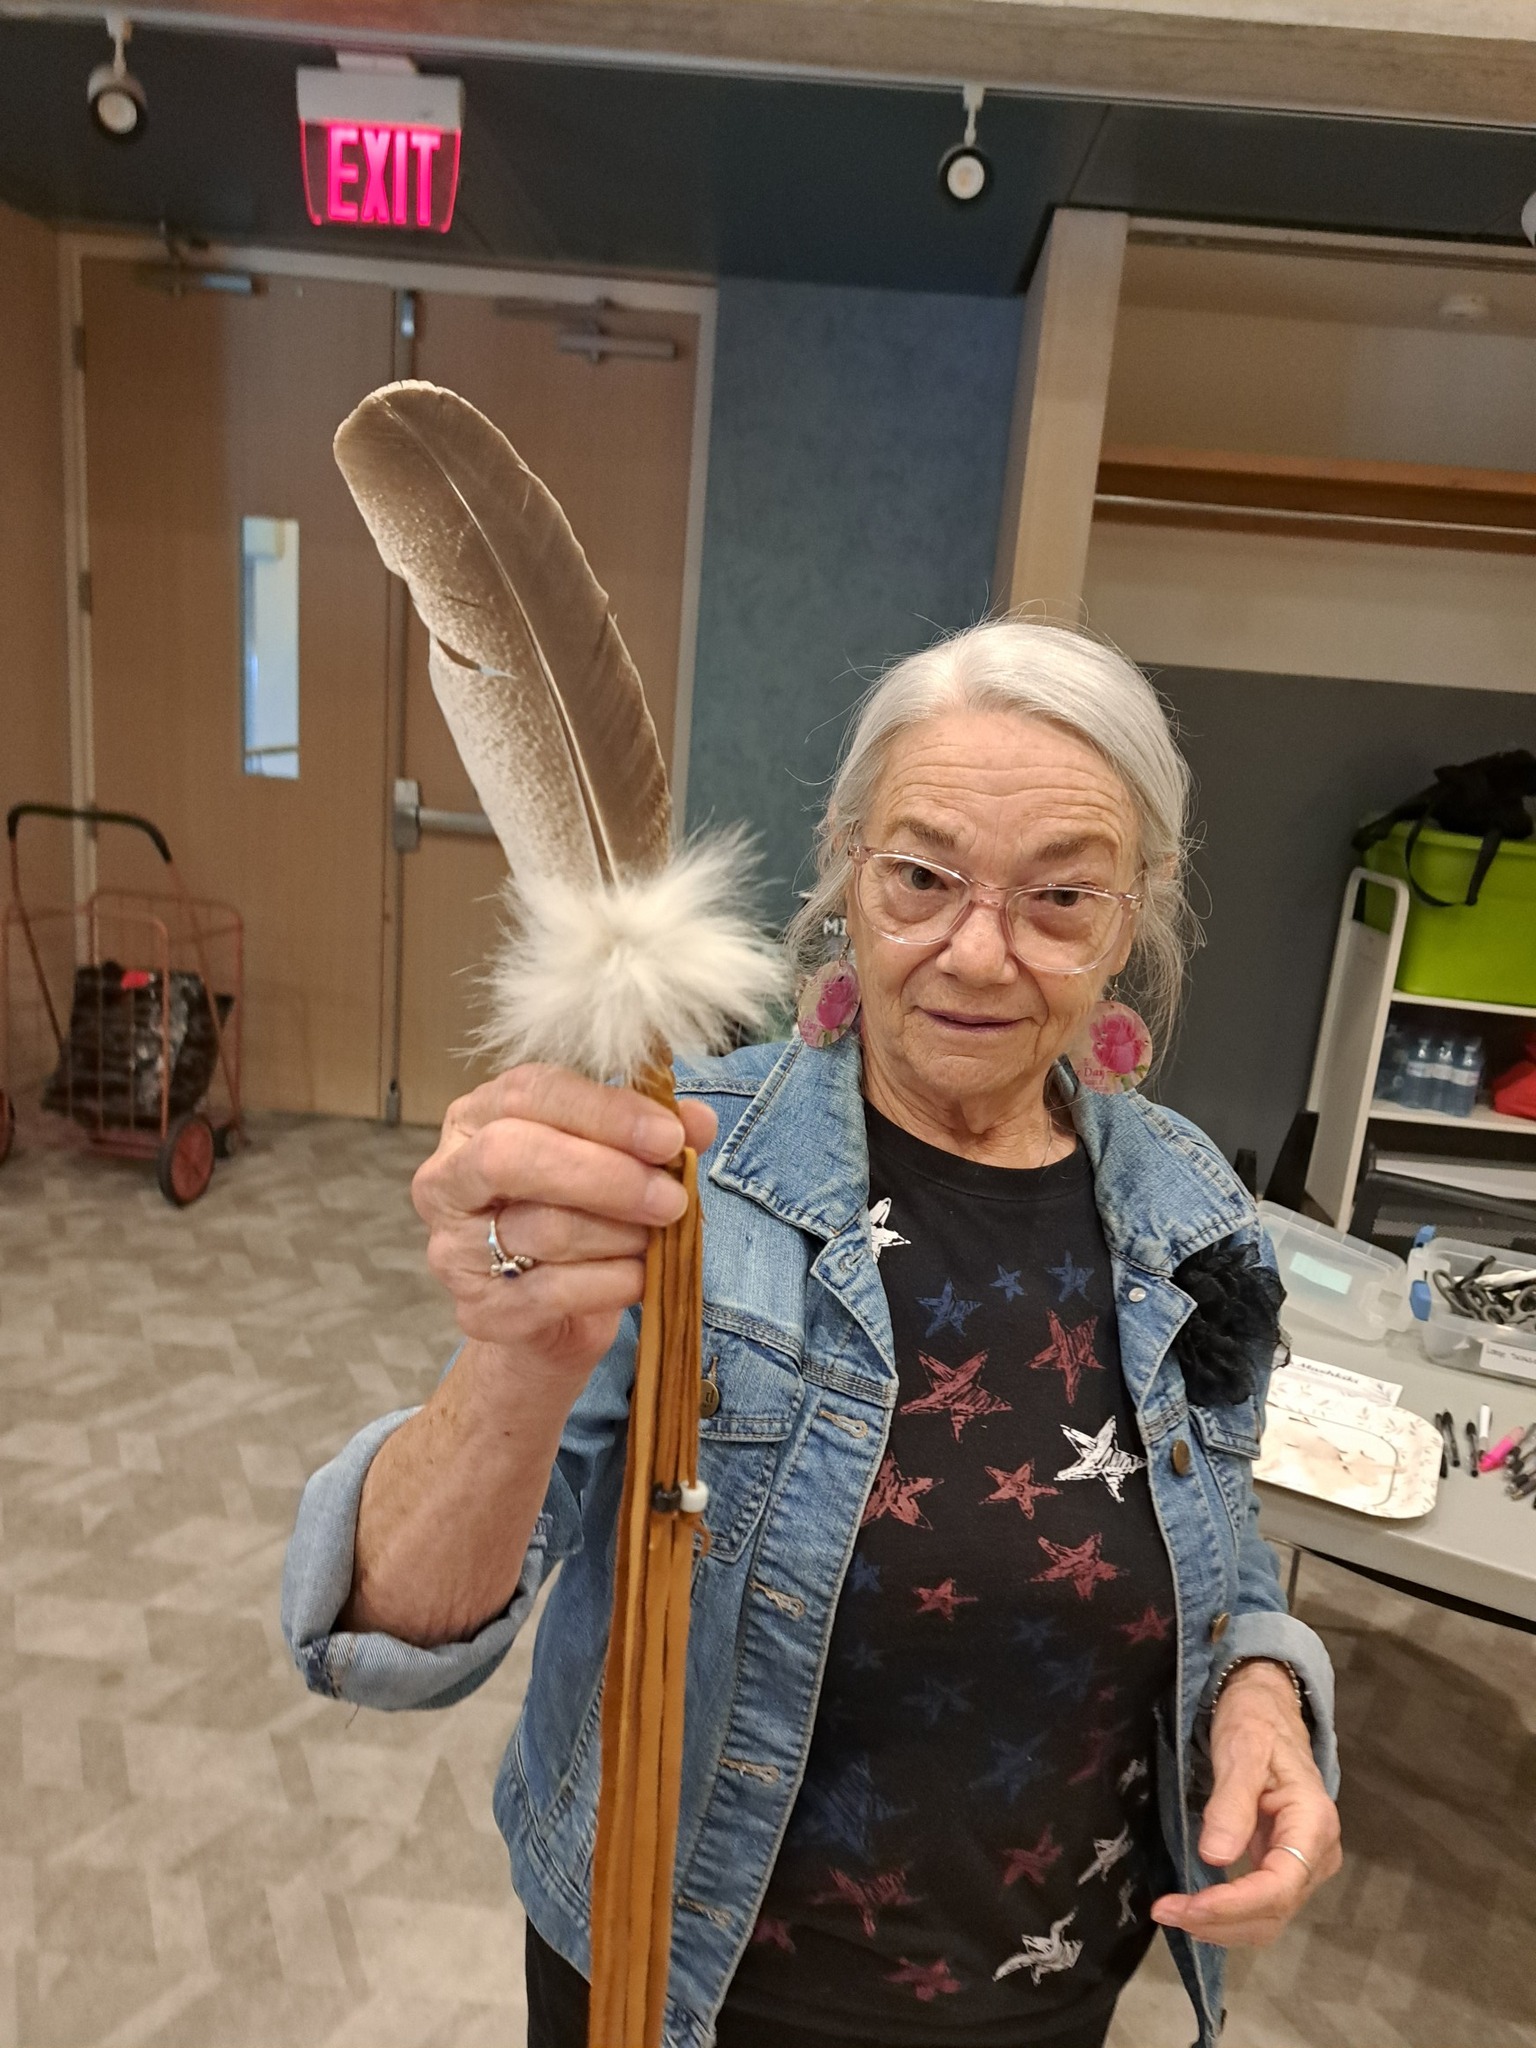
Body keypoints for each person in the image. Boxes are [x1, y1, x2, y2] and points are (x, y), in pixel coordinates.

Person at [283, 620, 1342, 2048]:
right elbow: (391, 1638)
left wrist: (1267, 1688)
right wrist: (517, 1355)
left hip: (1049, 1999)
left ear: (1136, 910)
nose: (980, 952)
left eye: (1060, 898)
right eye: (921, 876)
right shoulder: (683, 1174)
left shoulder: (1196, 1212)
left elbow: (1218, 1550)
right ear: (847, 865)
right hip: (690, 1991)